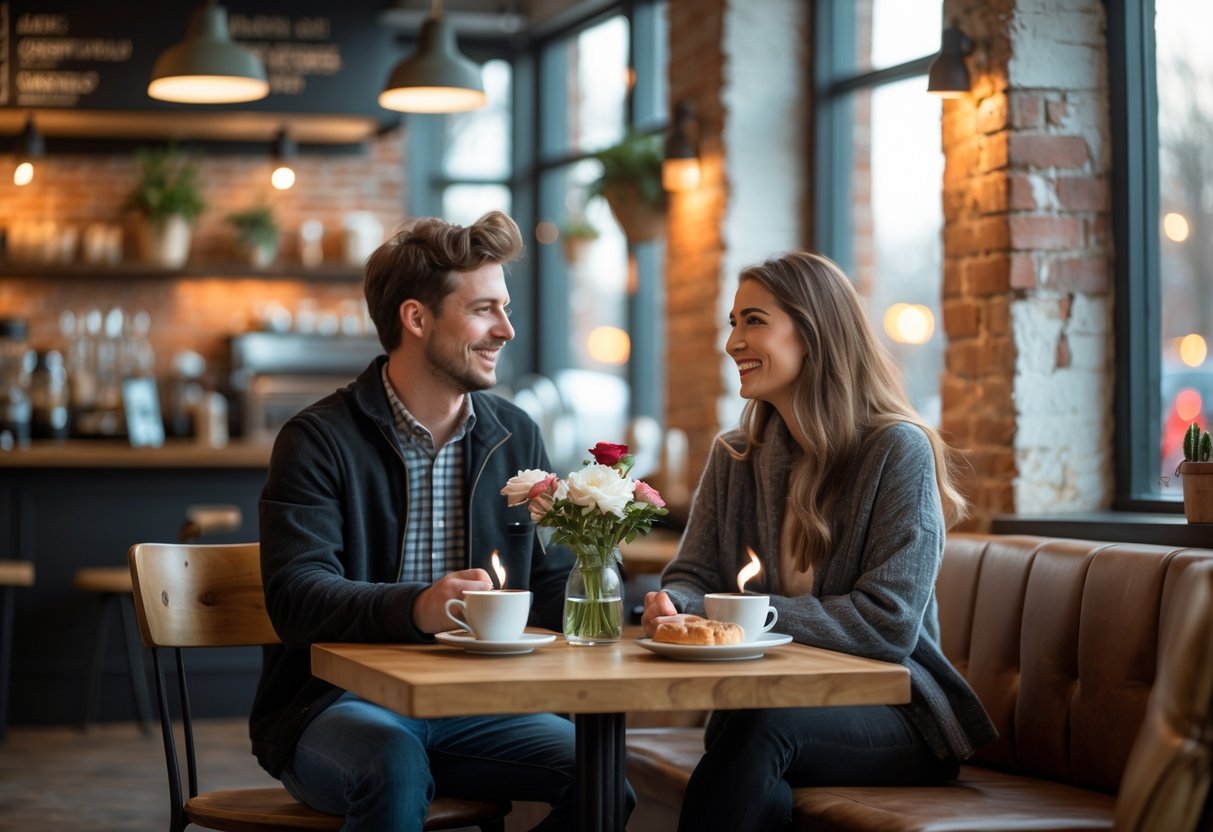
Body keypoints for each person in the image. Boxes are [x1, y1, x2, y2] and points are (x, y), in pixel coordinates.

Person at [642, 251, 997, 831]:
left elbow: (887, 625)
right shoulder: (736, 456)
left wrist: (739, 615)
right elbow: (691, 578)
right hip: (765, 706)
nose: (733, 342)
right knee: (763, 775)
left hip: (896, 714)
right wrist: (676, 606)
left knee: (760, 727)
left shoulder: (897, 451)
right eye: (732, 323)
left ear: (814, 333)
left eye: (754, 320)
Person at [252, 211, 581, 831]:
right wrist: (419, 607)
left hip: (480, 704)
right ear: (416, 318)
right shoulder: (317, 441)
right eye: (484, 309)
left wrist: (638, 600)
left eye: (505, 308)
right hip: (337, 706)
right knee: (393, 763)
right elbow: (296, 600)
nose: (506, 329)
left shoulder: (516, 434)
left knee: (598, 775)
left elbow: (553, 584)